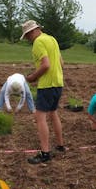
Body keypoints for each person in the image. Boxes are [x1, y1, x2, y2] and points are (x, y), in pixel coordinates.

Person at [21, 20, 66, 164]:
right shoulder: (52, 39)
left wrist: (33, 77)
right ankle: (60, 145)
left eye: (27, 36)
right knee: (53, 113)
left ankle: (45, 153)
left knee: (40, 117)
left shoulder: (38, 43)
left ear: (31, 32)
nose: (28, 39)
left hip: (46, 85)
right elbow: (61, 63)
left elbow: (45, 65)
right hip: (58, 83)